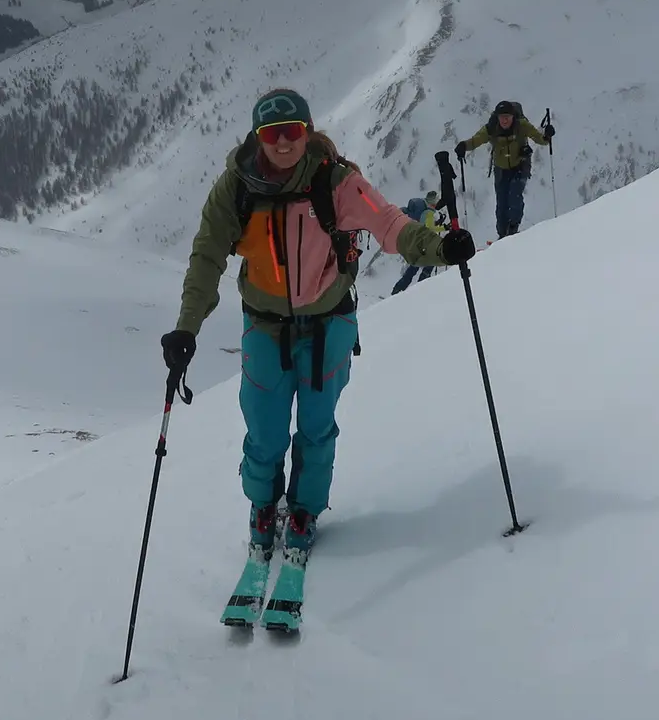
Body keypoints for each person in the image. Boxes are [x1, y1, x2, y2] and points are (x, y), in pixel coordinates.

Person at [160, 89, 475, 553]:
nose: (283, 142)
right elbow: (207, 257)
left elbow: (389, 225)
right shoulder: (237, 188)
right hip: (265, 326)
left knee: (317, 425)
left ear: (307, 132)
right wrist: (187, 326)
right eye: (272, 133)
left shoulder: (336, 182)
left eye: (293, 131)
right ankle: (264, 505)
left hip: (329, 324)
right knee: (264, 429)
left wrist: (440, 248)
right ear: (257, 136)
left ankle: (305, 510)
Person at [456, 99, 550, 238]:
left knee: (515, 197)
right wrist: (464, 146)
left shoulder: (521, 125)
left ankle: (512, 230)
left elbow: (540, 139)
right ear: (497, 117)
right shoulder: (491, 128)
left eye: (507, 117)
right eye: (502, 117)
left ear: (513, 116)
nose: (504, 120)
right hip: (501, 170)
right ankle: (502, 234)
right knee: (501, 204)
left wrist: (547, 135)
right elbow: (477, 139)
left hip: (520, 166)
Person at [391, 191, 447, 294]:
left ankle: (397, 290)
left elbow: (424, 225)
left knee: (413, 268)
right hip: (423, 244)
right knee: (430, 263)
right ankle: (421, 289)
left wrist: (437, 223)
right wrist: (444, 227)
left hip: (415, 242)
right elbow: (429, 228)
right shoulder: (429, 212)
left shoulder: (422, 210)